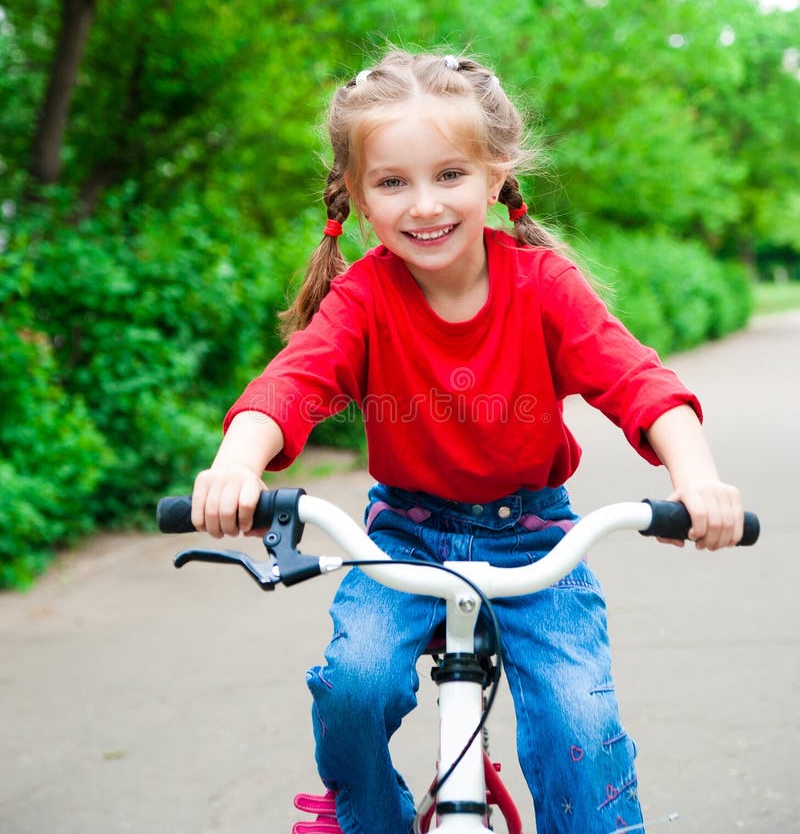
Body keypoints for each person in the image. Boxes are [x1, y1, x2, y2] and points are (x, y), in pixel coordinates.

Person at [190, 50, 744, 834]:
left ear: (495, 175)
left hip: (534, 537)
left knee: (577, 720)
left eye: (449, 175)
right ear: (355, 195)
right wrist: (234, 466)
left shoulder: (544, 286)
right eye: (391, 182)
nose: (424, 205)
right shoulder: (365, 297)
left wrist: (698, 480)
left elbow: (640, 383)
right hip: (403, 539)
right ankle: (363, 818)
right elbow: (290, 384)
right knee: (354, 685)